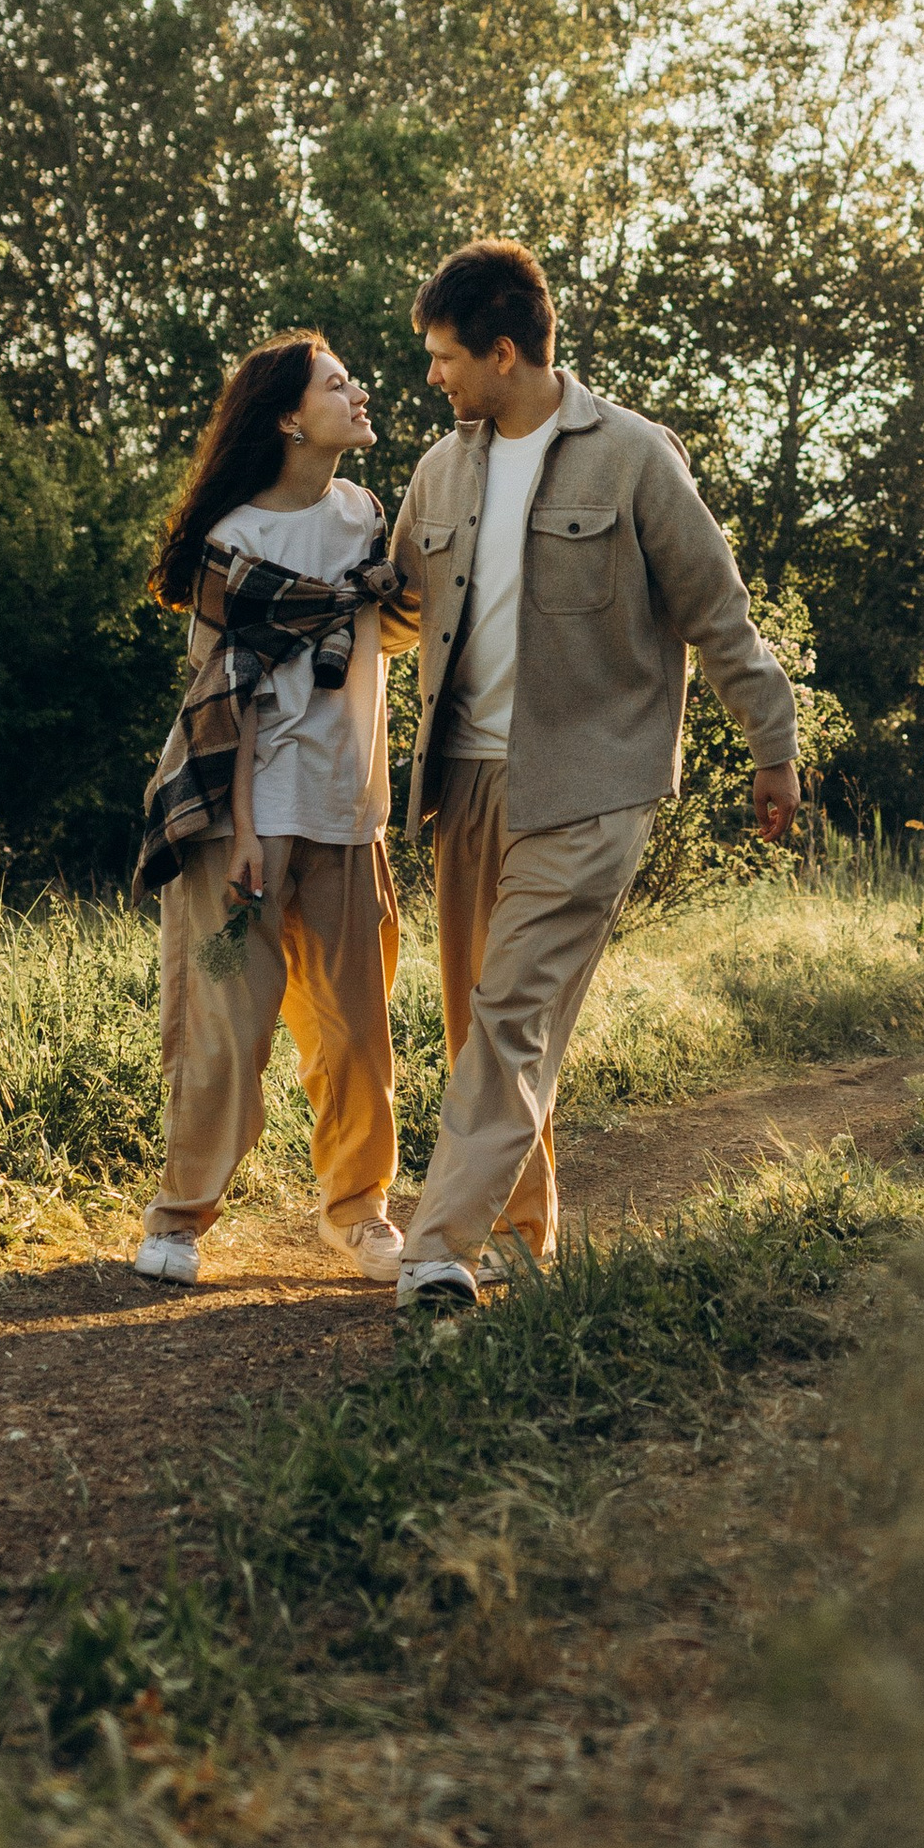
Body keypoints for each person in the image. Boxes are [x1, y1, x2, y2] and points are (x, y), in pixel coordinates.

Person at [385, 237, 801, 1316]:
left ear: (505, 351)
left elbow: (717, 613)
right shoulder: (442, 468)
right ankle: (523, 1242)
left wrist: (773, 746)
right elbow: (390, 606)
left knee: (513, 1009)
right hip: (466, 782)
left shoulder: (631, 456)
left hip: (590, 781)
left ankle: (438, 1249)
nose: (434, 378)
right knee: (487, 1022)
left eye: (444, 357)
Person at [130, 332, 413, 1288]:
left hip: (349, 808)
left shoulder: (367, 517)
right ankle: (179, 1216)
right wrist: (250, 828)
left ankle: (360, 1214)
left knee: (356, 1034)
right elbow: (230, 690)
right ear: (291, 417)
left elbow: (392, 628)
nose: (359, 392)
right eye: (339, 384)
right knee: (226, 1026)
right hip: (242, 816)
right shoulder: (234, 544)